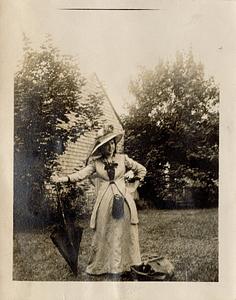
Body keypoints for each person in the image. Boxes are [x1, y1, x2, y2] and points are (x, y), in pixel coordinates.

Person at [51, 124, 147, 276]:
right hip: (104, 203)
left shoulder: (123, 159)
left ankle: (128, 266)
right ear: (101, 148)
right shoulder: (96, 163)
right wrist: (62, 179)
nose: (111, 146)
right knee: (105, 232)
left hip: (123, 202)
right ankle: (106, 266)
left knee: (125, 232)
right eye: (106, 144)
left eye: (113, 142)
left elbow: (141, 170)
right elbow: (81, 174)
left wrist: (131, 183)